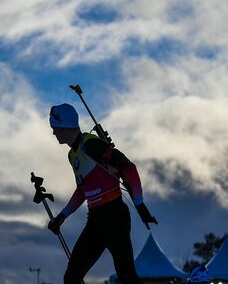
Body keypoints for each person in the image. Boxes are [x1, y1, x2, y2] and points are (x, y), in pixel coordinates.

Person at [46, 103, 158, 284]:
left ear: (64, 126)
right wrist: (62, 217)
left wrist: (140, 204)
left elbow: (128, 168)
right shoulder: (72, 155)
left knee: (127, 277)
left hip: (115, 215)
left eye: (54, 128)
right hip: (96, 219)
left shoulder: (91, 144)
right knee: (71, 277)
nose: (53, 133)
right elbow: (83, 189)